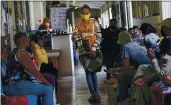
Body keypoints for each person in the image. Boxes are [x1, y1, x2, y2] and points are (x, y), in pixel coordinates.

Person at [2, 32, 54, 105]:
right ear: (24, 41)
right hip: (15, 85)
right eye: (28, 38)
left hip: (13, 84)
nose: (29, 39)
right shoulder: (23, 54)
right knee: (48, 89)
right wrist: (46, 82)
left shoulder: (15, 51)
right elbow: (34, 72)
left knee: (47, 86)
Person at [109, 31, 151, 104]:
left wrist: (114, 70)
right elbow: (136, 65)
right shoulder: (136, 43)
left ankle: (123, 100)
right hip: (151, 69)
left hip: (145, 72)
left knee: (121, 76)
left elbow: (126, 68)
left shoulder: (126, 47)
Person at [72, 4, 102, 103]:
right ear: (81, 14)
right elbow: (74, 38)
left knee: (93, 71)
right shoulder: (78, 24)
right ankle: (93, 93)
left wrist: (93, 49)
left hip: (94, 50)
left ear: (90, 13)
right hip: (83, 52)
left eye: (87, 13)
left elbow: (99, 36)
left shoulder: (94, 22)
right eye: (83, 13)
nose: (85, 15)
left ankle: (96, 93)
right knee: (88, 72)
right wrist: (78, 37)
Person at [149, 36, 171, 105]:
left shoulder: (166, 57)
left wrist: (153, 59)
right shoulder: (166, 57)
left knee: (154, 89)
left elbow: (162, 75)